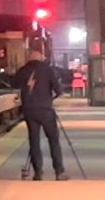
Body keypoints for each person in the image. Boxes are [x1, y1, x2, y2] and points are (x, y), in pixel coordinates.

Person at [12, 48, 71, 180]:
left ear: (29, 58)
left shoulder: (22, 70)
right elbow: (59, 90)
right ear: (41, 58)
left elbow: (14, 85)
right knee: (53, 140)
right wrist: (49, 99)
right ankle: (59, 172)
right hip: (46, 110)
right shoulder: (48, 70)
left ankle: (38, 173)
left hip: (29, 111)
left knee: (34, 141)